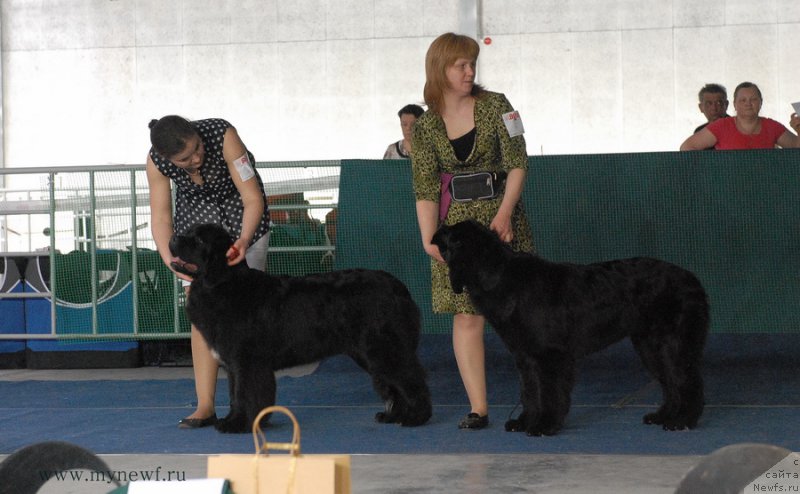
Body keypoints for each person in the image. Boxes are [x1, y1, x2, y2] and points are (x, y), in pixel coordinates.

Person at [411, 32, 534, 430]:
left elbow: (518, 162)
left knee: (524, 313)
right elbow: (426, 187)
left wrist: (505, 214)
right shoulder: (426, 128)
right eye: (461, 64)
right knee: (466, 317)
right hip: (457, 232)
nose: (470, 71)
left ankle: (535, 399)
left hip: (502, 221)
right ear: (440, 70)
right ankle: (478, 408)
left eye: (472, 63)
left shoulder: (499, 106)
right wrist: (430, 238)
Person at [146, 116, 271, 429]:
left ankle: (251, 404)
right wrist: (169, 259)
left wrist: (243, 240)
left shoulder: (224, 135)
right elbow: (161, 217)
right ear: (167, 158)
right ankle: (205, 405)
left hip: (245, 227)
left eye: (197, 149)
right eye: (185, 159)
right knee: (203, 316)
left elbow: (252, 197)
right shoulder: (155, 163)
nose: (197, 158)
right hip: (199, 238)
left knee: (243, 317)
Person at [680, 82, 800, 150]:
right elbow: (687, 147)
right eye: (743, 100)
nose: (748, 103)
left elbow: (796, 147)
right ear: (734, 104)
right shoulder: (721, 126)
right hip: (728, 188)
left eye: (753, 99)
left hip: (765, 187)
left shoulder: (772, 126)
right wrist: (711, 169)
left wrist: (799, 130)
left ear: (761, 102)